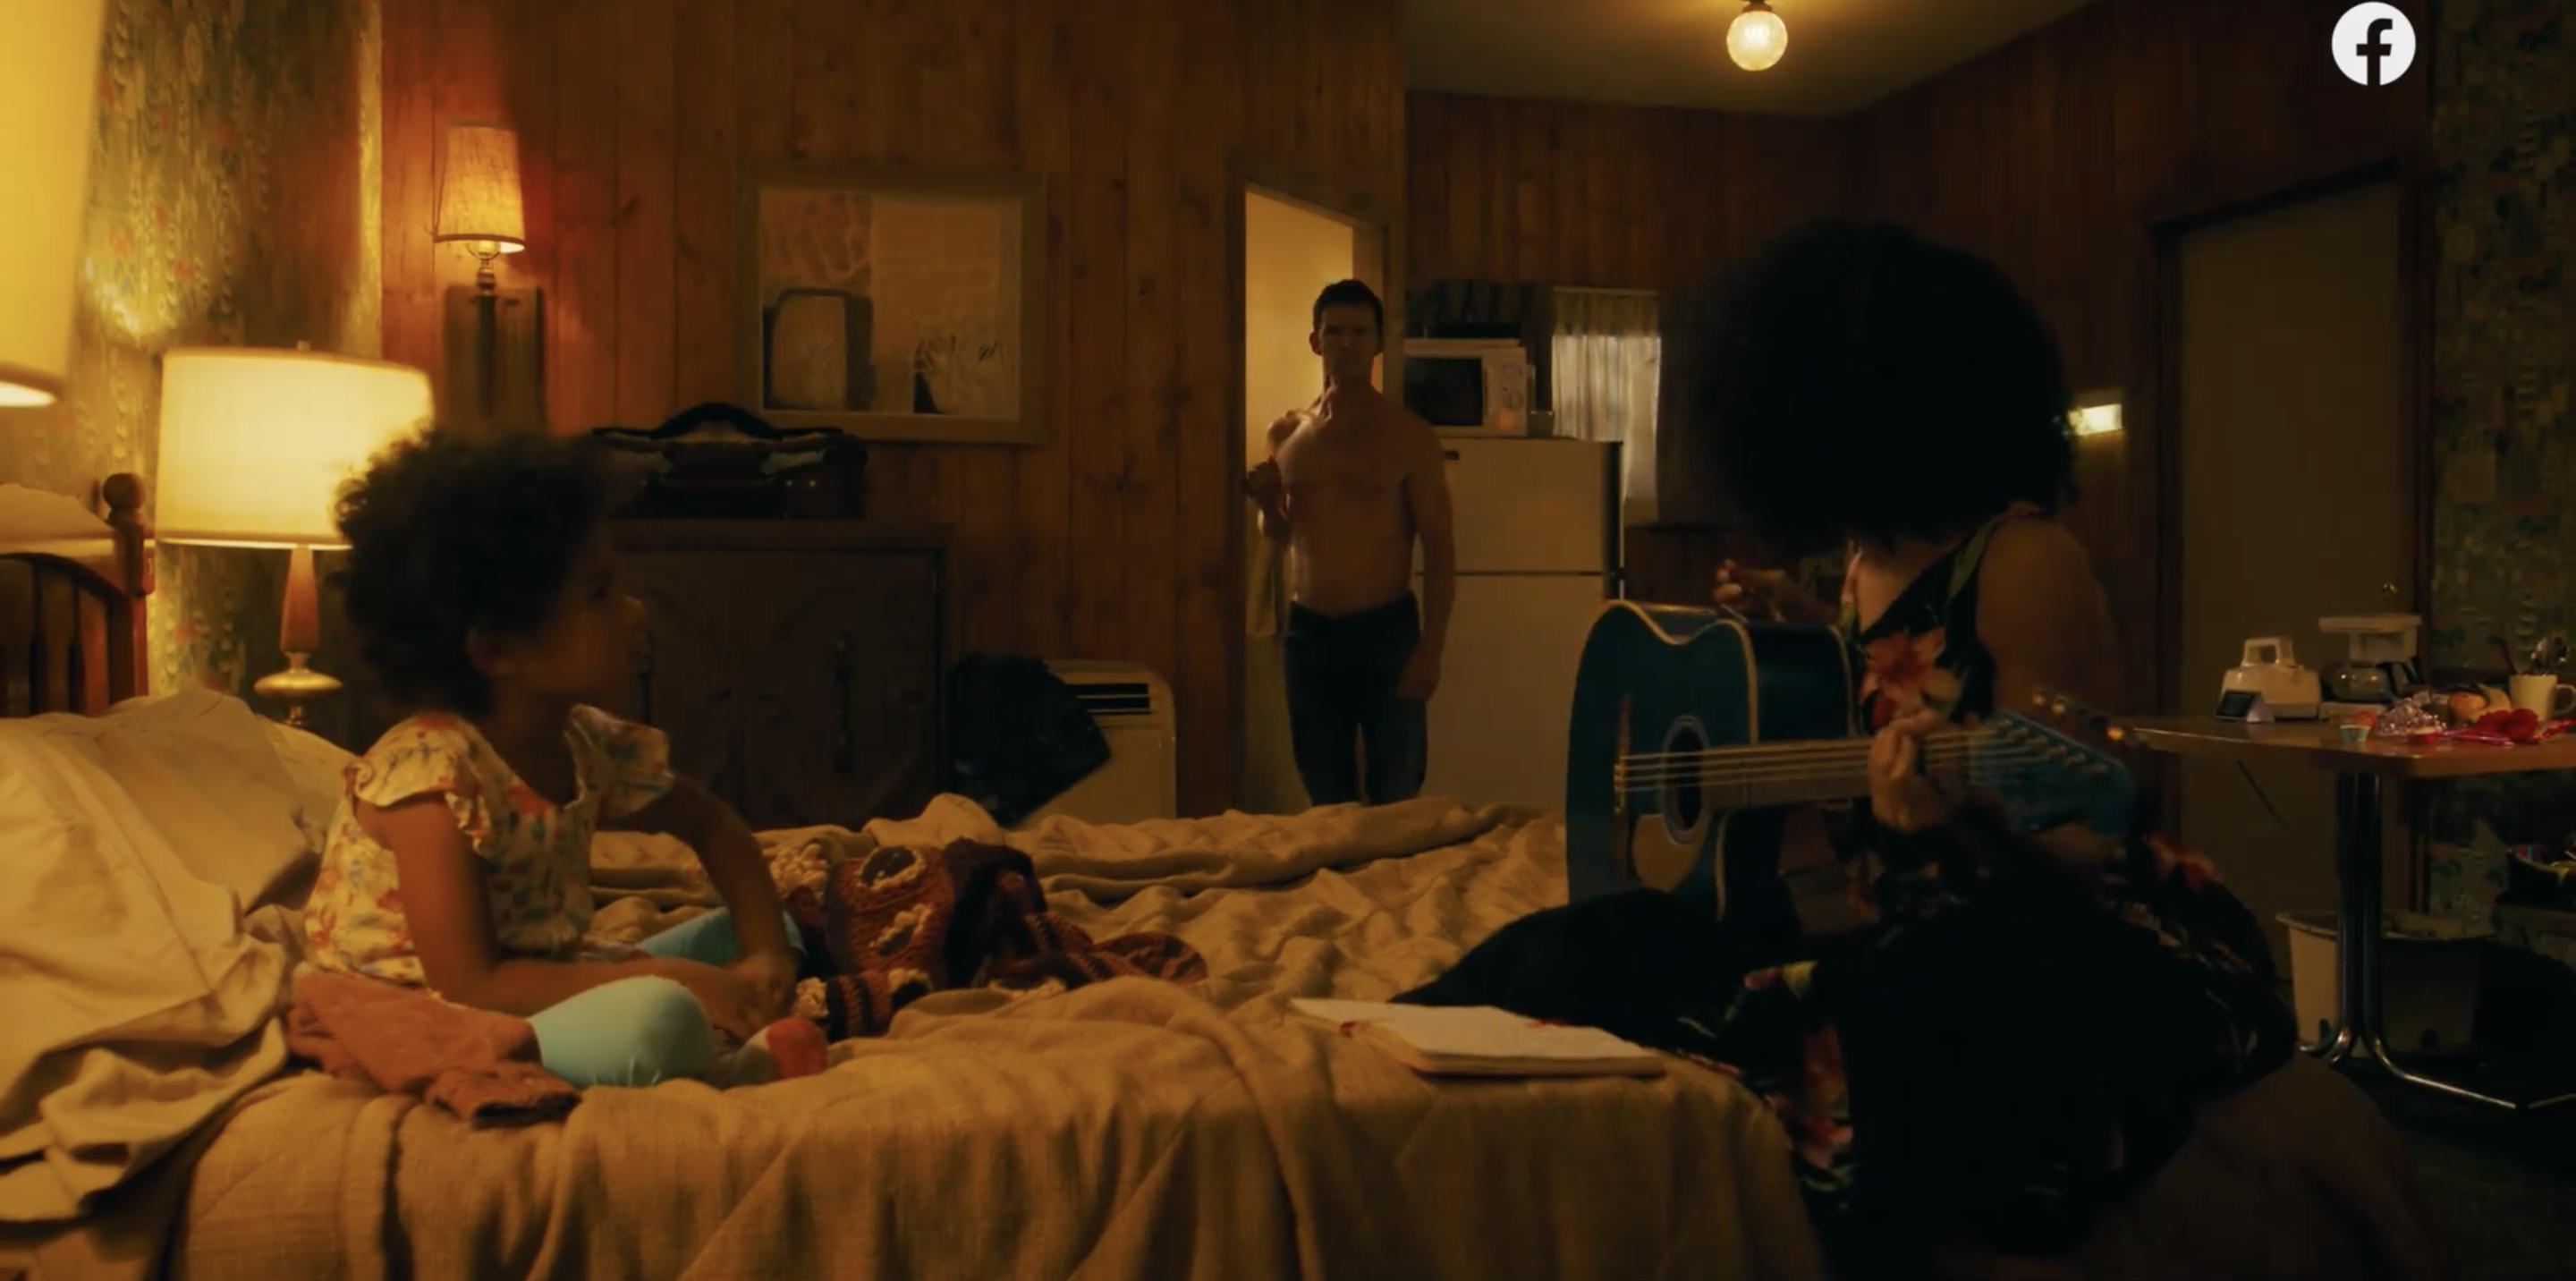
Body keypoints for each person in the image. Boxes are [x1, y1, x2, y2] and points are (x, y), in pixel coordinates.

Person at [1400, 220, 2286, 1272]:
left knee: (1907, 1032)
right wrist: (1802, 621)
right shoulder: (1866, 560)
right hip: (1871, 904)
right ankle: (1355, 1043)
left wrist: (1965, 810)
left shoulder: (2023, 561)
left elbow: (2084, 844)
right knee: (1587, 944)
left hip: (2058, 924)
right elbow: (1885, 684)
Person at [303, 431, 823, 1088]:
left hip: (543, 972)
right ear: (497, 651)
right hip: (439, 1010)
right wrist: (669, 978)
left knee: (771, 930)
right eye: (600, 594)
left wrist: (764, 954)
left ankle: (729, 1019)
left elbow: (713, 825)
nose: (635, 612)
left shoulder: (587, 743)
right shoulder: (430, 780)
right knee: (660, 1019)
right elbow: (472, 985)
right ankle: (727, 1059)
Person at [1242, 279, 1455, 806]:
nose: (1347, 344)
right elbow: (1280, 533)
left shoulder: (1409, 436)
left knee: (1396, 794)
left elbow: (1440, 549)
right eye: (1335, 332)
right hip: (1310, 635)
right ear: (1315, 341)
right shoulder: (1287, 434)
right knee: (1325, 797)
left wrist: (1431, 650)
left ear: (1378, 342)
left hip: (1386, 633)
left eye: (1360, 332)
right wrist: (1267, 502)